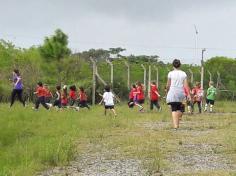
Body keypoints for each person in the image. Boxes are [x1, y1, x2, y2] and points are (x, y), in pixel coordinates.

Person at [166, 59, 190, 130]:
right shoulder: (183, 73)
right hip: (181, 92)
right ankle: (177, 122)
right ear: (180, 65)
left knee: (174, 109)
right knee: (180, 109)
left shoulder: (170, 73)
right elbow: (186, 85)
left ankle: (176, 126)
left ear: (173, 65)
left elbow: (168, 85)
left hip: (172, 92)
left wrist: (167, 91)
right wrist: (188, 94)